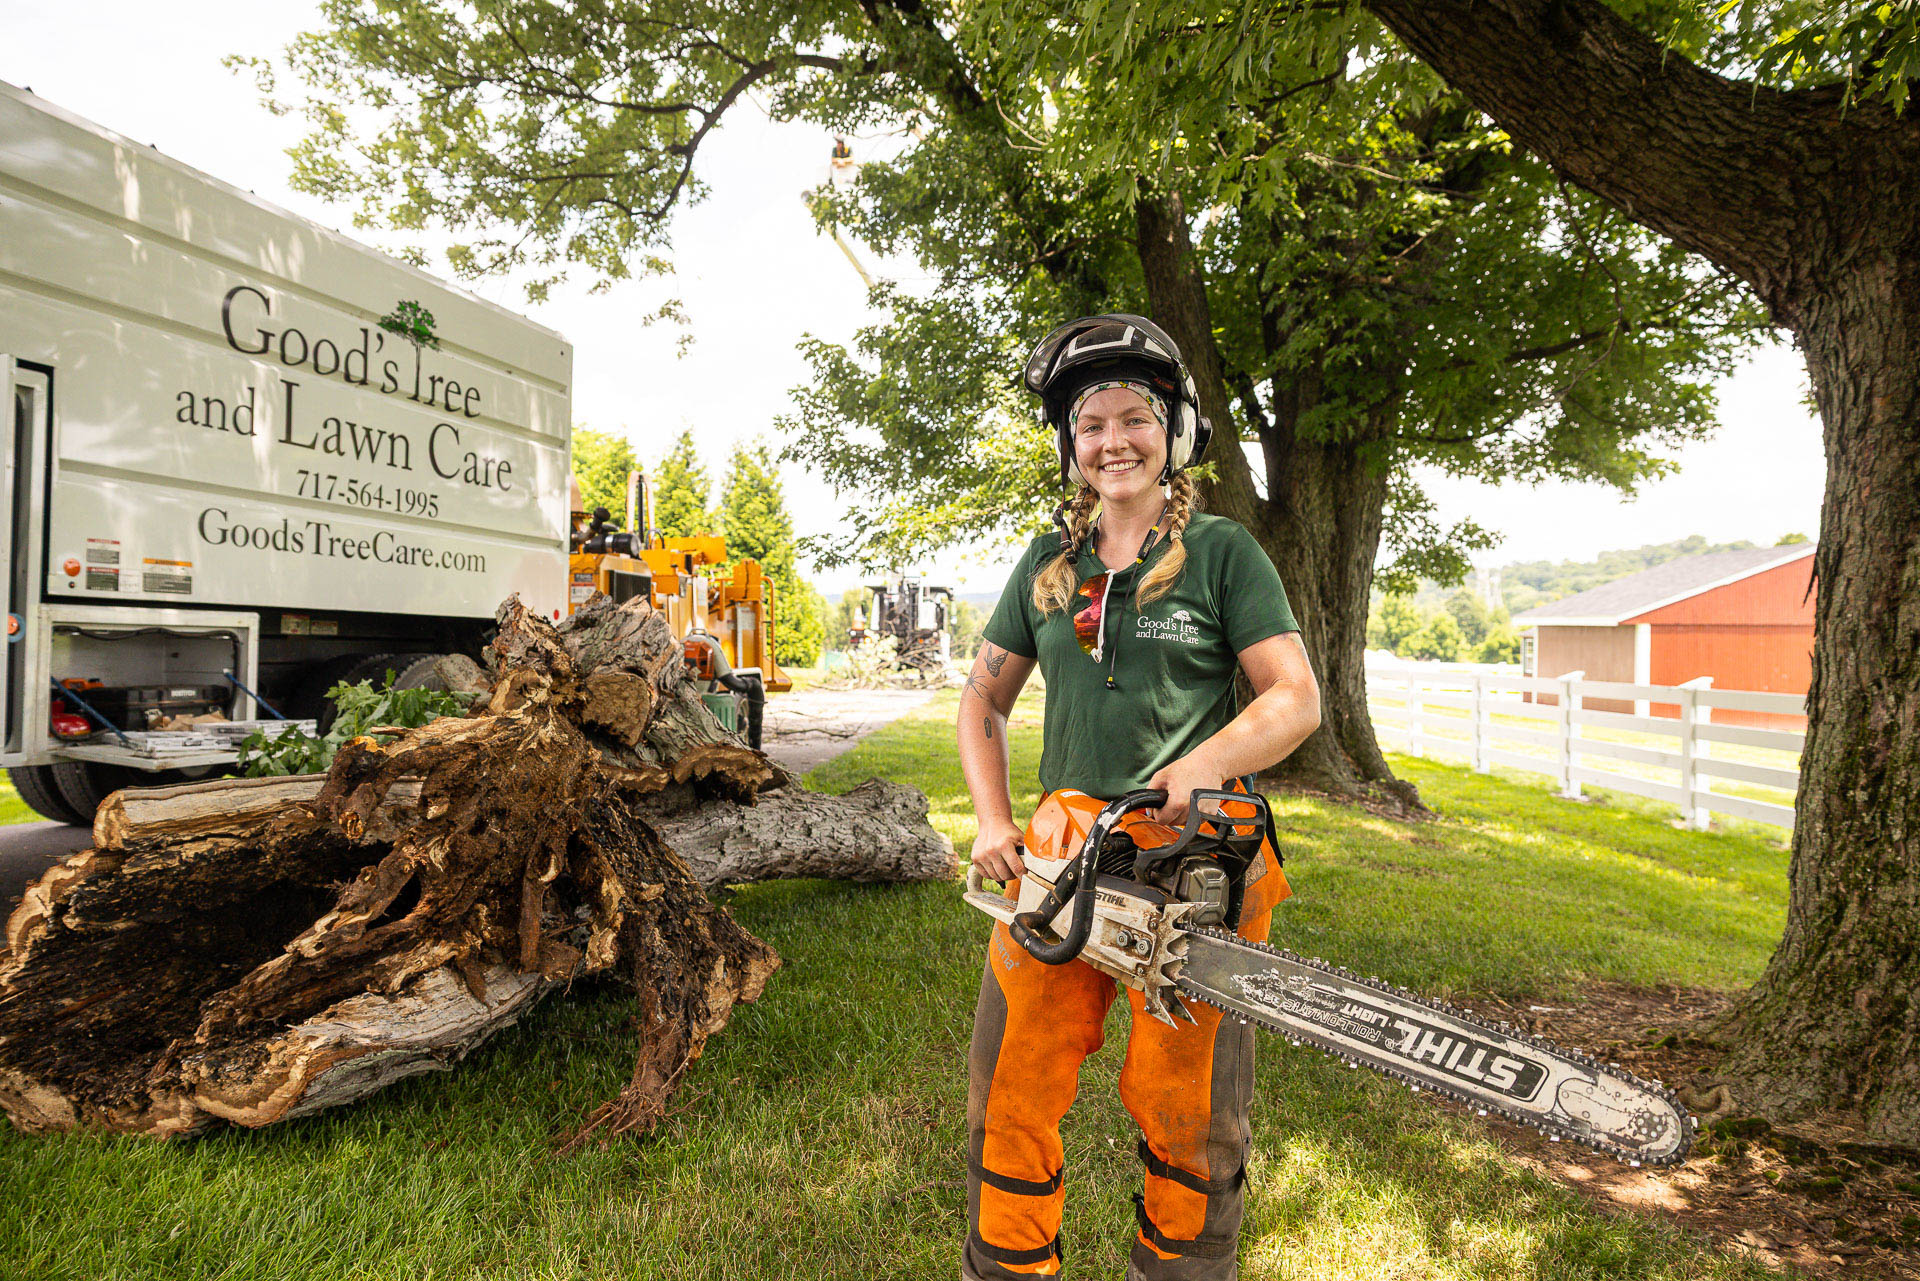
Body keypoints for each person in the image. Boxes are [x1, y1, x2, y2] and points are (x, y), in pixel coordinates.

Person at [956, 314, 1323, 1280]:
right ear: (1069, 446)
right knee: (1013, 1089)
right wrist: (995, 820)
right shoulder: (1049, 564)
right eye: (1091, 426)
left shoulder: (1221, 553)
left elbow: (1294, 697)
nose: (1113, 441)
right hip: (1066, 847)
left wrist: (1205, 761)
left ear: (1177, 435)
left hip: (1191, 853)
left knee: (1189, 1107)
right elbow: (981, 700)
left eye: (1136, 419)